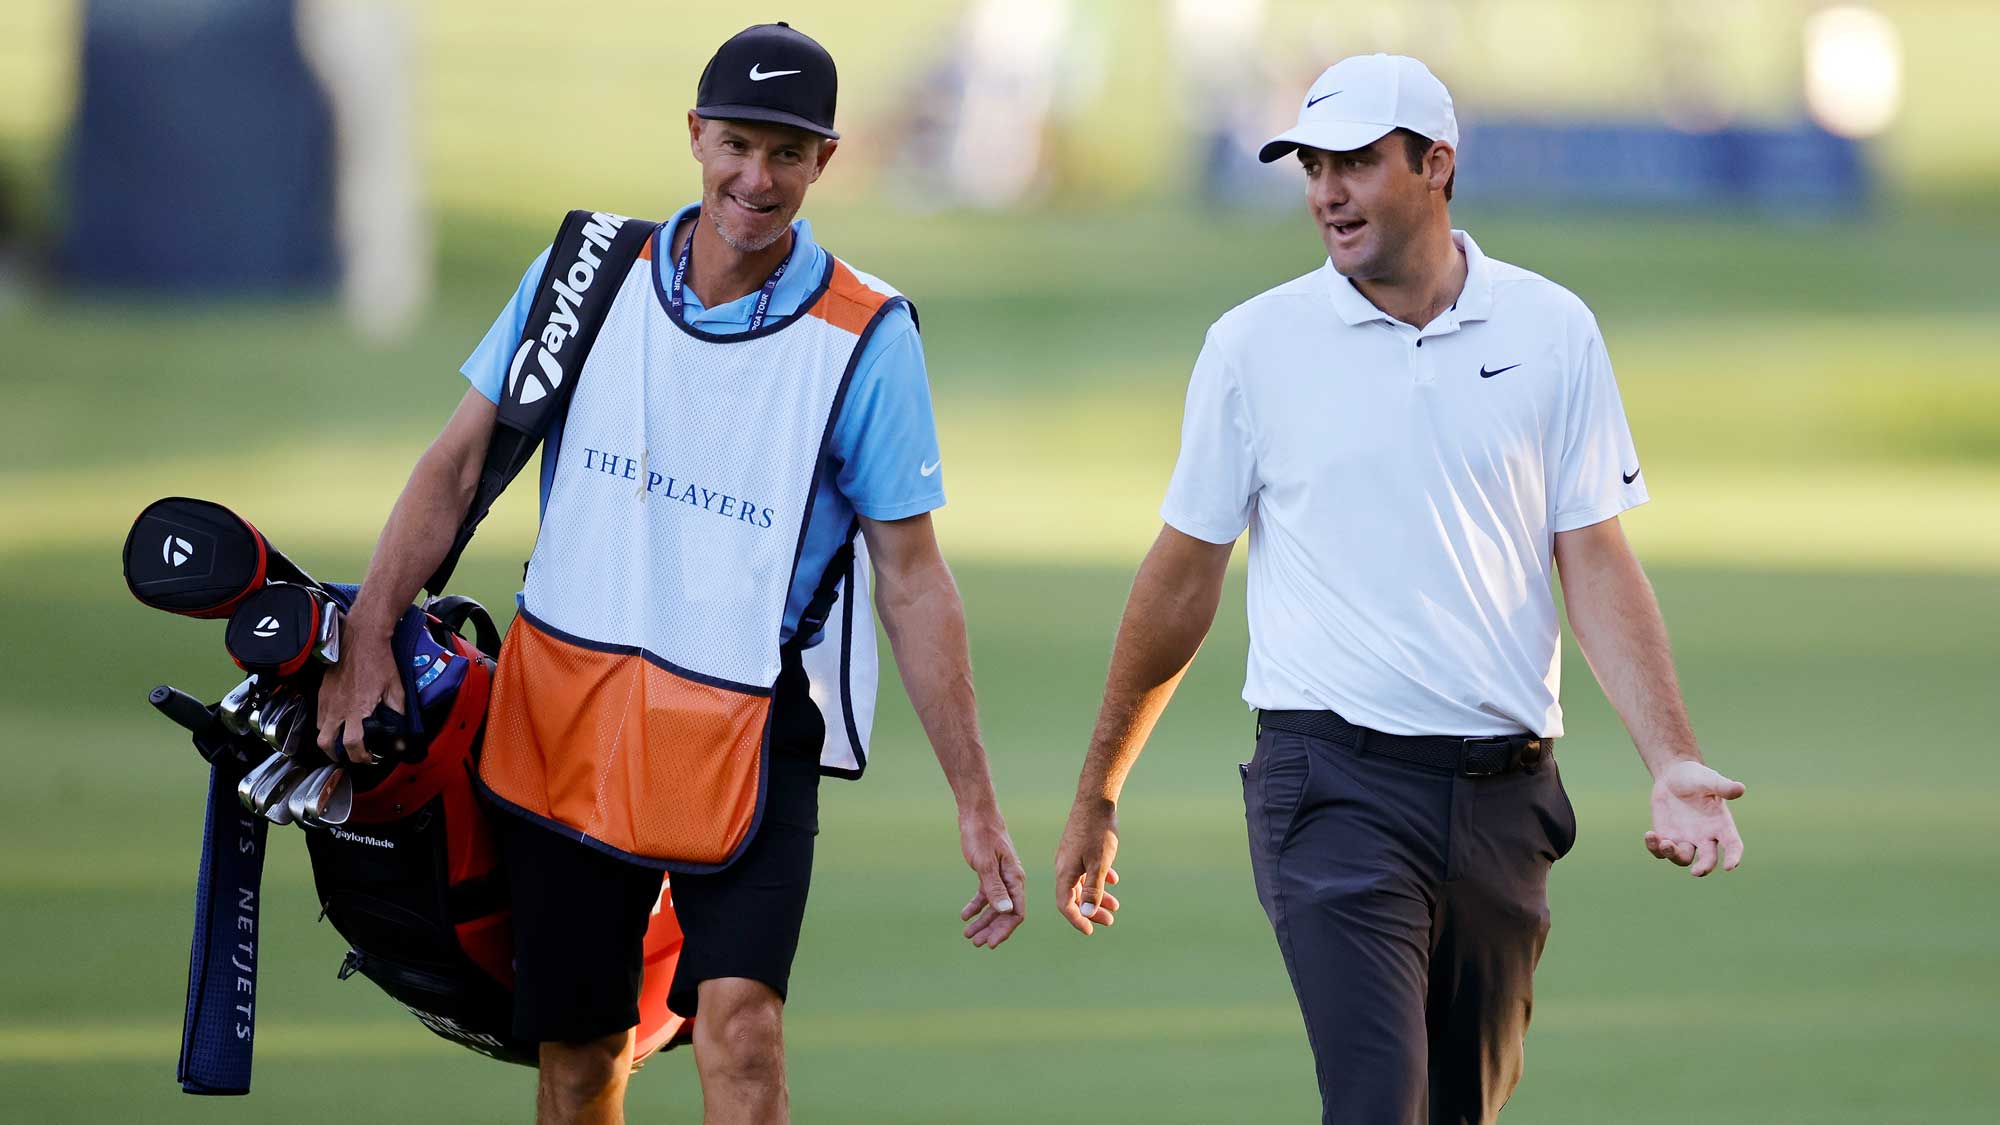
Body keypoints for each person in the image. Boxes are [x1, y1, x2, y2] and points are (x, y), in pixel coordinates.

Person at [315, 23, 1026, 1124]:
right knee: (582, 1053)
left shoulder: (865, 333)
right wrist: (367, 640)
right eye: (736, 143)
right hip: (565, 717)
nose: (756, 178)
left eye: (786, 154)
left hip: (742, 730)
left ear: (824, 161)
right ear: (694, 135)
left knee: (740, 1029)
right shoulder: (585, 271)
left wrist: (974, 804)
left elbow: (912, 580)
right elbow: (457, 464)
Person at [1052, 54, 1747, 1124]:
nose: (1326, 192)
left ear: (1435, 164)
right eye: (1311, 167)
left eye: (1356, 165)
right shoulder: (1251, 347)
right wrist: (1101, 788)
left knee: (1458, 1110)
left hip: (1504, 797)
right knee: (1379, 1106)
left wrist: (1671, 759)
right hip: (1328, 784)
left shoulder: (1550, 329)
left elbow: (1594, 557)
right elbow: (1181, 574)